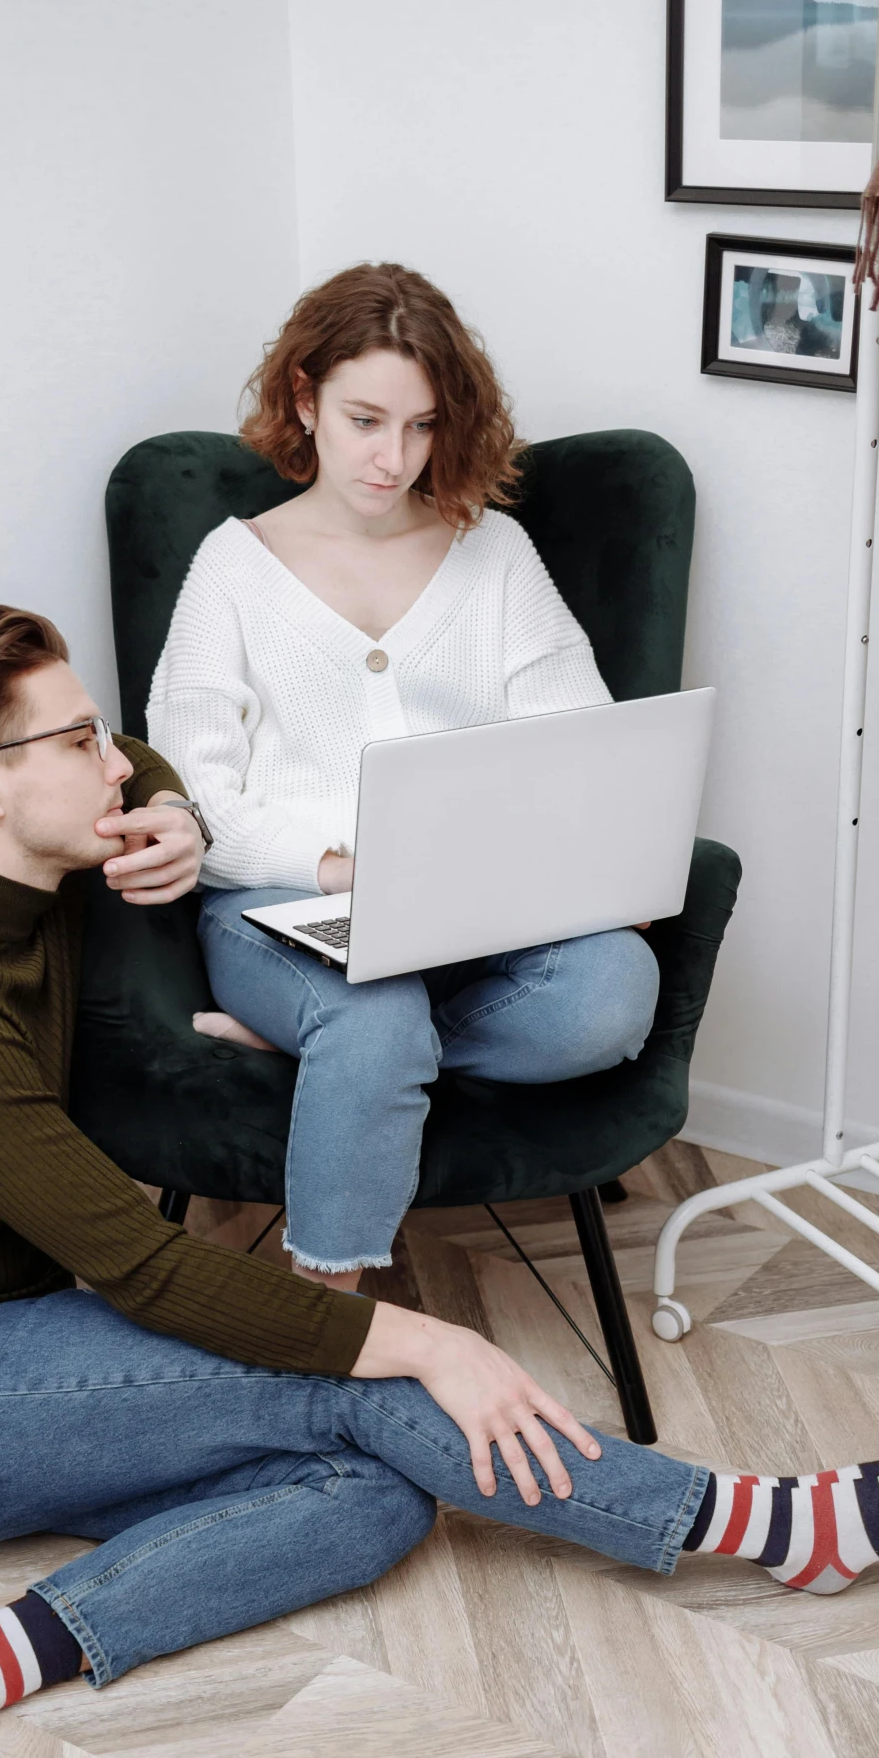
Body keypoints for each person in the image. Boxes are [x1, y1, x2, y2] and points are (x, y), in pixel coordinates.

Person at [0, 606, 879, 1758]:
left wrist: (180, 821)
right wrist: (428, 1342)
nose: (118, 759)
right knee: (367, 1390)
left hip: (22, 1325)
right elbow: (140, 1265)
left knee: (382, 1496)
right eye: (82, 739)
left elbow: (160, 765)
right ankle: (762, 1524)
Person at [148, 262, 661, 1294]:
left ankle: (334, 1060)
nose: (393, 458)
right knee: (369, 1007)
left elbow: (582, 743)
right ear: (304, 397)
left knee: (608, 995)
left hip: (474, 908)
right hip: (280, 906)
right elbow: (202, 803)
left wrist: (584, 869)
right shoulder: (231, 569)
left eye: (421, 426)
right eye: (365, 419)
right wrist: (340, 869)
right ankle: (323, 1313)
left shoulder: (495, 553)